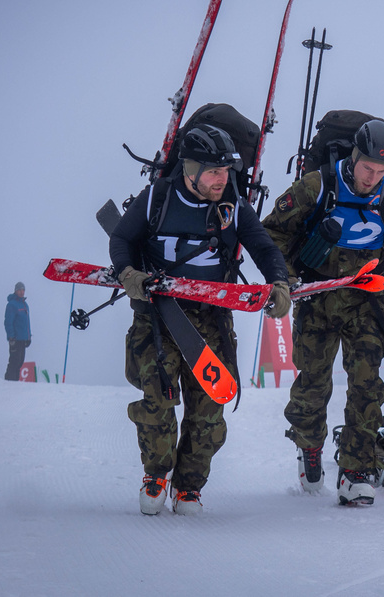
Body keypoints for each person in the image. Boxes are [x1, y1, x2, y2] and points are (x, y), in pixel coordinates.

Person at [109, 118, 290, 516]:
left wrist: (279, 283)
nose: (221, 179)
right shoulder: (157, 197)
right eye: (213, 171)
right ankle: (157, 474)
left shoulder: (233, 207)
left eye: (226, 171)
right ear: (190, 170)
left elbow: (263, 247)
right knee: (157, 401)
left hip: (212, 318)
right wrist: (128, 274)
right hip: (158, 316)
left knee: (210, 409)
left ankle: (188, 487)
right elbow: (121, 238)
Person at [262, 118, 384, 506]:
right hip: (317, 296)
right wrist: (284, 280)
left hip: (365, 300)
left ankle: (356, 470)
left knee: (367, 384)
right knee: (313, 384)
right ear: (354, 157)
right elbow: (271, 232)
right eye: (368, 167)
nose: (373, 177)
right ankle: (309, 445)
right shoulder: (317, 186)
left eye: (381, 170)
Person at [3, 282, 31, 381]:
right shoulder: (12, 305)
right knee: (14, 361)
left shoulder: (24, 304)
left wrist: (28, 337)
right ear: (15, 291)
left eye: (23, 290)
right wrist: (11, 337)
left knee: (20, 362)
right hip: (15, 339)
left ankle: (15, 383)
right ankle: (8, 382)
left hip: (23, 338)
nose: (21, 292)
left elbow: (27, 323)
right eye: (19, 290)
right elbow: (8, 322)